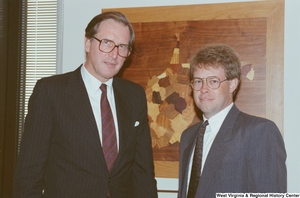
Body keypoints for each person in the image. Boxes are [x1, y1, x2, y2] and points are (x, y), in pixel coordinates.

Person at [13, 11, 157, 198]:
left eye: (122, 47)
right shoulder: (51, 91)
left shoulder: (134, 96)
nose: (114, 54)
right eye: (106, 43)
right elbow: (28, 174)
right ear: (88, 43)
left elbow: (143, 172)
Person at [177, 44, 287, 198]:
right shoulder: (188, 136)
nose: (203, 89)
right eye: (198, 81)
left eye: (213, 81)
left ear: (232, 84)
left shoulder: (259, 132)